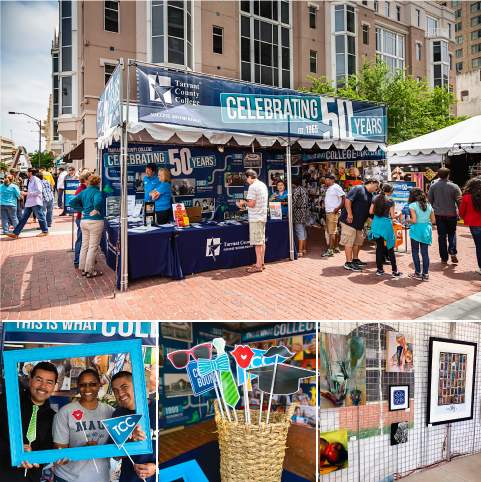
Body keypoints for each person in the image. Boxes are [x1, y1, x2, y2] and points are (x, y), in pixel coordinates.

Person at [0, 362, 70, 482]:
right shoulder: (8, 400)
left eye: (49, 382)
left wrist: (56, 456)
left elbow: (47, 448)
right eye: (39, 380)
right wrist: (12, 451)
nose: (43, 386)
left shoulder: (54, 417)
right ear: (31, 380)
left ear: (54, 386)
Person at [52, 369, 115, 482]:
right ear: (78, 386)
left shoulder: (110, 412)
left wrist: (99, 449)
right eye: (82, 384)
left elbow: (117, 451)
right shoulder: (65, 412)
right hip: (68, 478)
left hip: (101, 478)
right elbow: (59, 450)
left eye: (92, 384)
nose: (87, 388)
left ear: (99, 385)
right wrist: (81, 452)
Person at [110, 371, 157, 482]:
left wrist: (156, 467)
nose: (120, 394)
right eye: (115, 390)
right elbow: (115, 456)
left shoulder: (157, 408)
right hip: (128, 478)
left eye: (124, 387)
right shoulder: (117, 415)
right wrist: (131, 441)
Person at [338, 177, 379, 272]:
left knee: (358, 241)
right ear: (371, 183)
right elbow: (348, 200)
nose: (376, 189)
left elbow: (370, 211)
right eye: (376, 186)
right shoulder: (358, 188)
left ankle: (355, 260)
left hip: (359, 223)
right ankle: (348, 262)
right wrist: (350, 213)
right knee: (349, 241)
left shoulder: (370, 195)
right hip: (349, 221)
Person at [68, 174, 104, 278]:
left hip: (84, 221)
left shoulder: (84, 192)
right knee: (92, 246)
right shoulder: (97, 192)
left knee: (85, 245)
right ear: (98, 182)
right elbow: (98, 201)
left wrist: (81, 210)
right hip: (95, 221)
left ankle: (83, 268)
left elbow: (71, 201)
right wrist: (96, 209)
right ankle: (90, 270)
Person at [428, 167, 462, 264]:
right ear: (448, 175)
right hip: (452, 213)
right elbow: (459, 202)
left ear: (438, 175)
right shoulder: (454, 186)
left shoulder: (433, 186)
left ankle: (444, 258)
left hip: (439, 214)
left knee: (442, 236)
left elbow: (429, 201)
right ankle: (452, 251)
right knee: (452, 233)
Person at [368, 183, 403, 277]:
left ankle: (379, 269)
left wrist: (379, 213)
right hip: (386, 225)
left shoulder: (375, 198)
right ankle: (395, 271)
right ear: (390, 191)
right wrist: (399, 213)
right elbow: (392, 216)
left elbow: (370, 212)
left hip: (376, 224)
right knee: (390, 247)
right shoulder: (390, 200)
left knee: (379, 247)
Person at [239, 169, 268, 273]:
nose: (247, 181)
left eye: (247, 178)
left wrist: (243, 202)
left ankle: (258, 265)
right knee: (261, 241)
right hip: (262, 216)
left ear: (250, 177)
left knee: (257, 243)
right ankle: (262, 262)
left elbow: (251, 204)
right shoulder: (263, 185)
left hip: (256, 217)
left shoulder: (253, 187)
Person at [6, 168, 49, 239]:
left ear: (30, 172)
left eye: (27, 172)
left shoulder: (36, 180)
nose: (26, 173)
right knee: (24, 218)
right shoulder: (30, 180)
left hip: (35, 201)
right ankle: (16, 233)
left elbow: (39, 191)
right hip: (29, 202)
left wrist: (28, 193)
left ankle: (45, 230)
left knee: (40, 217)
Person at [405, 187, 435, 281]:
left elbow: (414, 220)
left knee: (415, 251)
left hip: (416, 230)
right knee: (425, 253)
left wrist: (406, 221)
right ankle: (425, 274)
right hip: (426, 229)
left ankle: (417, 273)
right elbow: (433, 220)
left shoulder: (413, 205)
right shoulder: (428, 205)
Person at [459, 177, 481, 276]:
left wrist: (465, 218)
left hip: (474, 224)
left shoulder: (467, 197)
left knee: (479, 246)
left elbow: (462, 211)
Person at [322, 173, 345, 257]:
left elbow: (344, 198)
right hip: (329, 211)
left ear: (331, 179)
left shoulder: (336, 187)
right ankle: (336, 247)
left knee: (331, 231)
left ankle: (330, 250)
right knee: (333, 230)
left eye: (326, 179)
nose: (325, 180)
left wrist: (337, 208)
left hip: (333, 212)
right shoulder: (330, 188)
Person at [73, 171, 91, 268]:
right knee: (81, 240)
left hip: (83, 218)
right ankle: (77, 260)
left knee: (85, 240)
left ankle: (82, 259)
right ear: (85, 180)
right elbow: (74, 203)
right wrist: (84, 211)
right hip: (82, 218)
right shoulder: (81, 190)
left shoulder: (83, 189)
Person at [291, 177, 310, 257]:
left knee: (299, 232)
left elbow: (293, 203)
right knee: (303, 231)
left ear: (293, 184)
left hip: (298, 213)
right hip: (305, 212)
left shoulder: (296, 191)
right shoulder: (304, 190)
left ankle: (299, 251)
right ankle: (303, 249)